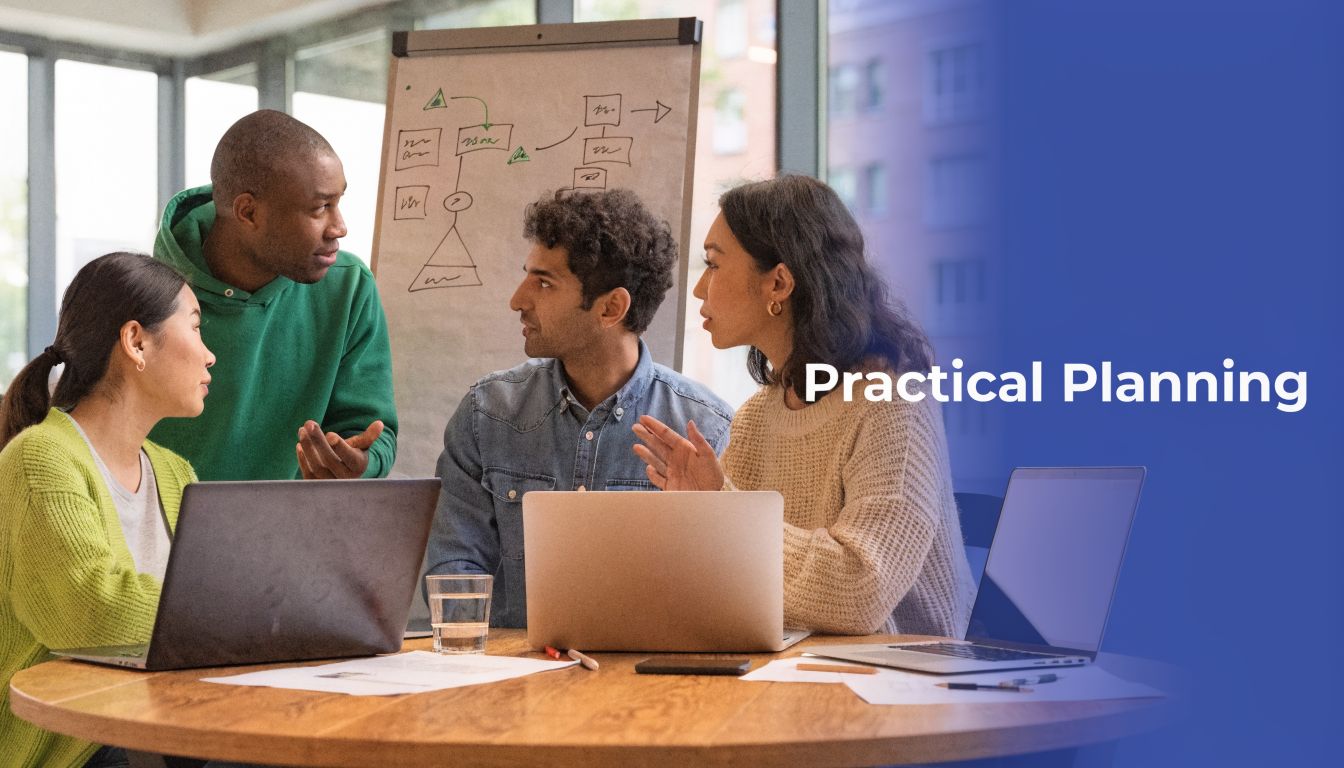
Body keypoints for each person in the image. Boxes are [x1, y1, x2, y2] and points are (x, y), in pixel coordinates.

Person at [632, 175, 975, 637]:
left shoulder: (892, 402)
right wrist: (696, 524)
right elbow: (733, 584)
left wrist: (722, 513)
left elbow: (860, 591)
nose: (699, 290)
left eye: (713, 265)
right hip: (797, 674)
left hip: (910, 688)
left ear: (778, 283)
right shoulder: (758, 416)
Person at [425, 189, 734, 628]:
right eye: (527, 276)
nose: (518, 299)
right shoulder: (486, 414)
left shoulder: (706, 431)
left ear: (611, 308)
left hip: (646, 687)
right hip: (512, 680)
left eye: (544, 283)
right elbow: (453, 572)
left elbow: (720, 597)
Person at [0, 252, 214, 768]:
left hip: (166, 722)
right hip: (75, 742)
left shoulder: (176, 473)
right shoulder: (40, 460)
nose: (209, 356)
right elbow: (91, 609)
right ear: (136, 341)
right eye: (195, 328)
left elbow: (212, 604)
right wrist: (245, 612)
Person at [149, 109, 396, 481]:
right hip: (151, 536)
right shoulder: (139, 296)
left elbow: (371, 432)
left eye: (339, 202)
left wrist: (359, 462)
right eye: (320, 208)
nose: (339, 227)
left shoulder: (349, 286)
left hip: (291, 534)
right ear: (248, 212)